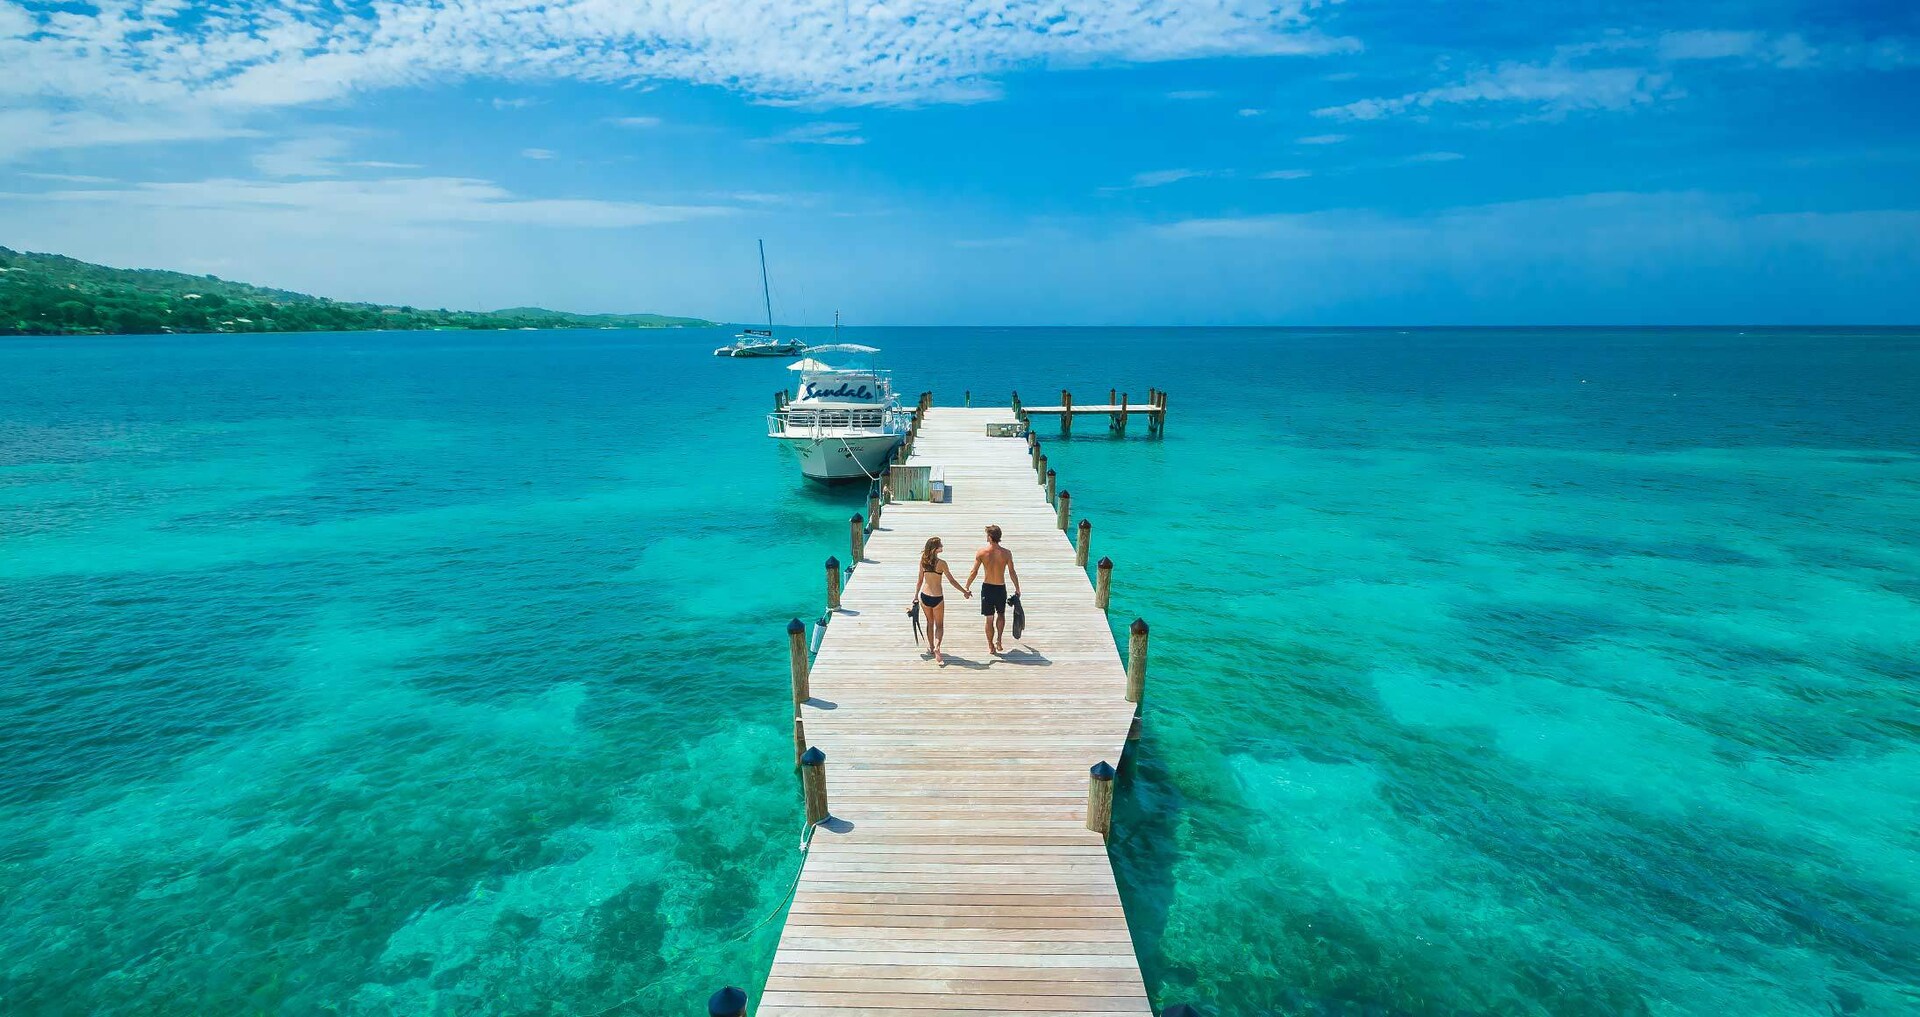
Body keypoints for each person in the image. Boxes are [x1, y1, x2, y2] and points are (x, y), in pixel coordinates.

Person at [910, 536, 970, 664]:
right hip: (937, 597)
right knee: (940, 626)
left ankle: (931, 648)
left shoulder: (923, 561)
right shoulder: (942, 563)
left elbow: (920, 580)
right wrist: (964, 592)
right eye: (940, 544)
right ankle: (937, 647)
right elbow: (952, 581)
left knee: (929, 623)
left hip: (924, 596)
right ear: (936, 549)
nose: (942, 546)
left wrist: (915, 596)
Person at [966, 524, 1020, 655]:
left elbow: (974, 571)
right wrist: (1017, 588)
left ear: (990, 537)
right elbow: (1012, 572)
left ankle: (990, 645)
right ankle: (999, 640)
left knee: (989, 618)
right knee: (1001, 614)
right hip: (1001, 588)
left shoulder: (982, 552)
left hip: (988, 588)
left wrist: (967, 586)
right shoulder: (1006, 553)